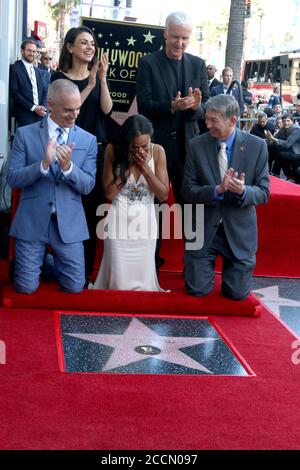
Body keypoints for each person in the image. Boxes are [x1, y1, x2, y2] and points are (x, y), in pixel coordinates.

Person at [7, 79, 97, 294]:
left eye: (77, 109)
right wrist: (42, 165)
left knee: (75, 287)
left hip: (68, 224)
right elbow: (13, 178)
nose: (74, 115)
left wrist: (68, 168)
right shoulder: (25, 134)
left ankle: (47, 262)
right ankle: (27, 265)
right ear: (50, 104)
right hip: (32, 221)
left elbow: (88, 186)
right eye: (68, 110)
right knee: (26, 288)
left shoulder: (88, 139)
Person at [136, 11, 210, 267]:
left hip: (189, 150)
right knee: (153, 206)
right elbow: (144, 106)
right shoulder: (148, 63)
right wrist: (171, 106)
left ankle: (196, 263)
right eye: (176, 37)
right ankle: (150, 262)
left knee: (191, 207)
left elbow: (207, 111)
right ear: (165, 34)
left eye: (185, 38)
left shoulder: (198, 64)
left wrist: (195, 107)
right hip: (157, 149)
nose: (180, 43)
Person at [182, 94, 270, 300]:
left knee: (236, 294)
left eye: (214, 120)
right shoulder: (196, 145)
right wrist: (217, 190)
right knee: (197, 290)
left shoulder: (257, 146)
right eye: (207, 118)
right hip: (203, 229)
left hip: (239, 230)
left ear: (232, 120)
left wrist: (243, 191)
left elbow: (264, 192)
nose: (207, 124)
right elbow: (187, 190)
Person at [51, 26, 113, 282]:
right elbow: (66, 108)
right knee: (64, 210)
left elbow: (107, 110)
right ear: (70, 47)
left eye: (92, 43)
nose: (90, 47)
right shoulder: (58, 77)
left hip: (93, 151)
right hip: (65, 150)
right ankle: (55, 264)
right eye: (84, 43)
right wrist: (88, 85)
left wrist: (102, 79)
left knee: (90, 212)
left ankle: (84, 272)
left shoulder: (96, 74)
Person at [92, 115, 169, 291]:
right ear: (127, 143)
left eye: (145, 145)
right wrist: (129, 168)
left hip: (146, 222)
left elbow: (163, 195)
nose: (142, 150)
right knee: (119, 280)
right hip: (119, 220)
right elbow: (110, 194)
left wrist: (144, 168)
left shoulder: (158, 151)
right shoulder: (112, 149)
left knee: (143, 281)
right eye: (136, 147)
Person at [9, 39, 48, 127]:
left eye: (34, 51)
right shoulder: (15, 68)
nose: (32, 54)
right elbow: (14, 92)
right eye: (29, 50)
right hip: (24, 115)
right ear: (22, 51)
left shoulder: (37, 71)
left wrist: (42, 107)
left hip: (40, 115)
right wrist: (34, 108)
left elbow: (44, 90)